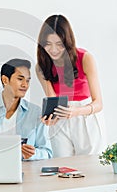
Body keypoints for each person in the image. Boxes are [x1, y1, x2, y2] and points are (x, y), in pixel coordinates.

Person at [36, 14, 106, 157]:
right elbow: (52, 98)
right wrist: (49, 118)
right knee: (63, 168)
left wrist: (76, 111)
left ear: (68, 42)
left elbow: (98, 103)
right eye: (48, 44)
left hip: (86, 117)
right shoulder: (41, 67)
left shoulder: (85, 58)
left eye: (59, 44)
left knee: (91, 168)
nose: (53, 50)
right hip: (61, 119)